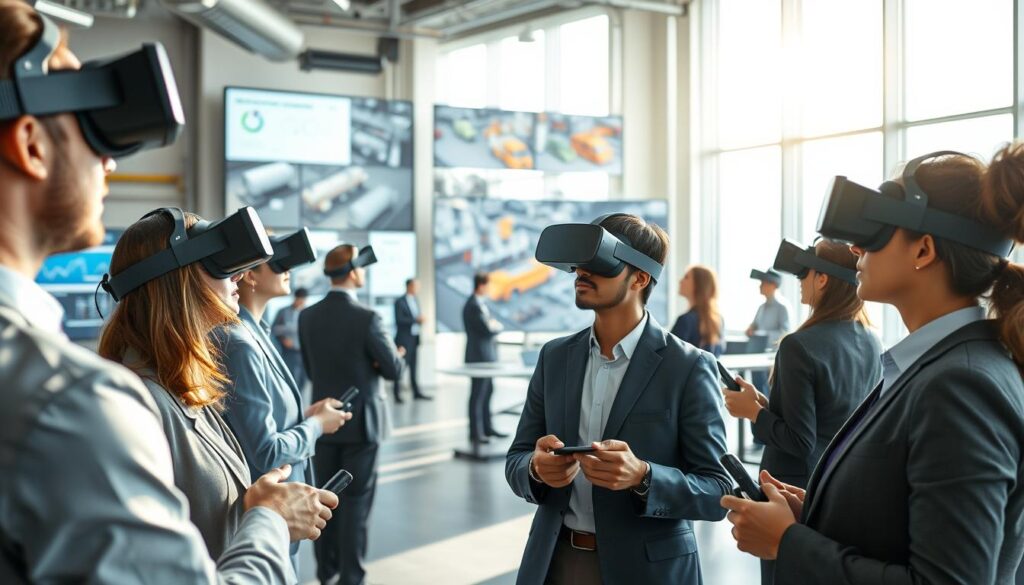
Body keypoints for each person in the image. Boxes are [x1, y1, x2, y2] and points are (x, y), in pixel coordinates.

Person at [0, 3, 328, 581]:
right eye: (86, 123)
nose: (108, 163)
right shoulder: (67, 401)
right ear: (30, 143)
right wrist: (270, 521)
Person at [723, 148, 1024, 584]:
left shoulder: (961, 384)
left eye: (879, 230)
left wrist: (787, 542)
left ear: (924, 249)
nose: (856, 246)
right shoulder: (938, 366)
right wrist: (818, 513)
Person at [98, 210, 337, 562]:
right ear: (177, 280)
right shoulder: (138, 407)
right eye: (219, 266)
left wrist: (260, 506)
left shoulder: (186, 384)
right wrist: (269, 520)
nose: (240, 276)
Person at [506, 214, 731, 585]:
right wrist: (534, 468)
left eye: (598, 263)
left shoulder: (689, 367)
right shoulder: (555, 358)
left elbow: (717, 490)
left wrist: (643, 476)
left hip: (647, 571)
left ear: (640, 278)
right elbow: (516, 457)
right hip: (553, 563)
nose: (581, 273)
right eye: (579, 264)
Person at [722, 239, 882, 584]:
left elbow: (799, 440)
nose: (799, 281)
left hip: (789, 493)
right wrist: (763, 406)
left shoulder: (798, 346)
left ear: (822, 279)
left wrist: (753, 414)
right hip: (838, 488)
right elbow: (828, 417)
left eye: (804, 273)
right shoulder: (870, 339)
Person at [219, 260, 353, 570]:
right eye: (280, 263)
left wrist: (306, 417)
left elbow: (257, 420)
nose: (288, 271)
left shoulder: (260, 333)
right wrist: (317, 426)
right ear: (249, 275)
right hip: (269, 502)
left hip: (281, 505)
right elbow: (267, 452)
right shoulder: (241, 344)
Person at [300, 244, 405, 585]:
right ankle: (351, 577)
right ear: (354, 272)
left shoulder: (307, 316)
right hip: (362, 426)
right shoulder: (368, 318)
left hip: (322, 423)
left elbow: (312, 370)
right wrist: (393, 356)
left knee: (324, 501)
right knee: (355, 505)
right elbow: (393, 370)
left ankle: (326, 572)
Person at [464, 272, 506, 444]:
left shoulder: (480, 304)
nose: (489, 289)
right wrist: (496, 326)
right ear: (481, 285)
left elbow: (490, 325)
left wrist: (494, 325)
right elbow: (488, 328)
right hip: (478, 357)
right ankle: (476, 432)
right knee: (478, 394)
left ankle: (487, 428)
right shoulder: (473, 305)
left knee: (487, 392)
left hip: (486, 357)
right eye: (487, 285)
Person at [671, 264, 726, 356]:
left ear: (699, 284)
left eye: (686, 277)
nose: (680, 281)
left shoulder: (685, 320)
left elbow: (669, 356)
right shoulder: (719, 320)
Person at [394, 277, 431, 402]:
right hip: (403, 340)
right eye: (416, 286)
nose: (418, 289)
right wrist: (416, 320)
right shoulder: (400, 302)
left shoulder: (415, 300)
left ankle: (416, 392)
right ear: (409, 286)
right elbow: (399, 320)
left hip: (414, 338)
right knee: (401, 367)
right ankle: (397, 394)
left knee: (414, 367)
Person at [272, 287, 309, 389]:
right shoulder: (283, 312)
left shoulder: (308, 312)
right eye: (299, 299)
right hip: (290, 351)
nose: (301, 302)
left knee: (303, 380)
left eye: (303, 300)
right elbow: (274, 329)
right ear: (295, 298)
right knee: (291, 379)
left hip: (304, 352)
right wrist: (283, 339)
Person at [746, 268, 791, 349]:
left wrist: (762, 334)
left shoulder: (782, 307)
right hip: (758, 349)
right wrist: (750, 329)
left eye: (763, 283)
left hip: (773, 352)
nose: (760, 286)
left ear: (773, 285)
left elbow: (785, 333)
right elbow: (754, 325)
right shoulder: (761, 307)